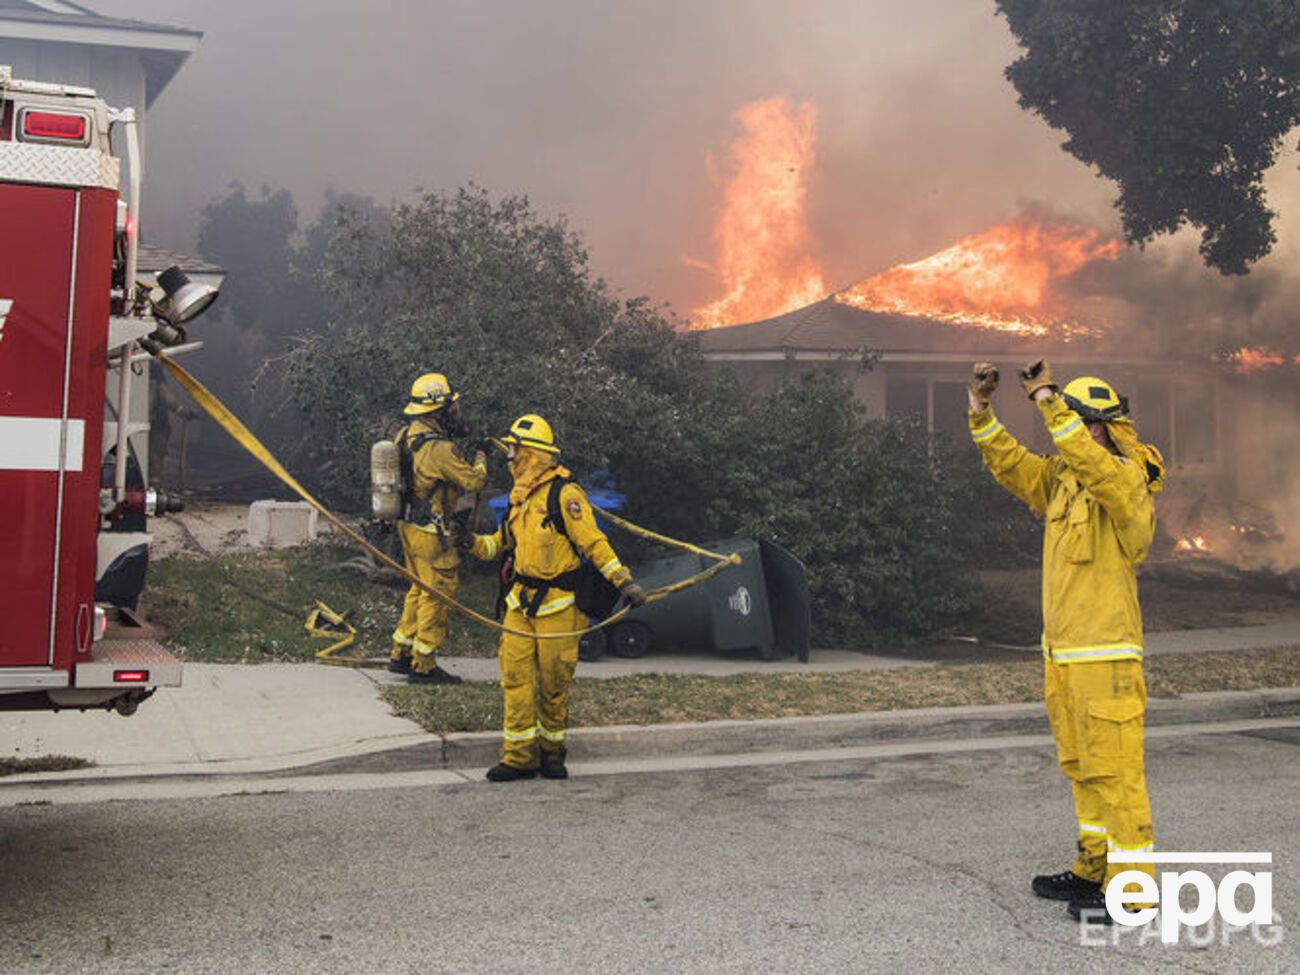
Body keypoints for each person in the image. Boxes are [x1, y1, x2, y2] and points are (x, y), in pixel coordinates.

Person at [968, 359, 1166, 923]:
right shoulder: (1061, 480)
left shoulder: (1126, 480)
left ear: (1108, 428)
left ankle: (1133, 894)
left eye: (1089, 423)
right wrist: (982, 408)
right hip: (1063, 655)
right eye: (1076, 421)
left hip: (1107, 656)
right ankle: (1094, 868)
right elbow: (1010, 464)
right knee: (1082, 767)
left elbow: (1094, 464)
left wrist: (1052, 401)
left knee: (1118, 774)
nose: (1081, 432)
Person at [464, 414, 646, 782]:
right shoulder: (519, 498)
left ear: (531, 453)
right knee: (515, 678)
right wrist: (468, 543)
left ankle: (551, 754)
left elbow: (593, 543)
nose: (509, 456)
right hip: (520, 604)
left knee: (553, 683)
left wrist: (624, 581)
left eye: (514, 448)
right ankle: (518, 758)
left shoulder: (565, 495)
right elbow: (500, 545)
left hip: (559, 606)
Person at [390, 372, 487, 685]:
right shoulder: (440, 449)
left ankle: (400, 653)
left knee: (418, 589)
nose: (455, 413)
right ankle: (424, 664)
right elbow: (473, 481)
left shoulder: (406, 434)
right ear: (437, 410)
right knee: (437, 594)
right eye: (450, 407)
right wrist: (482, 458)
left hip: (408, 527)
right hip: (432, 535)